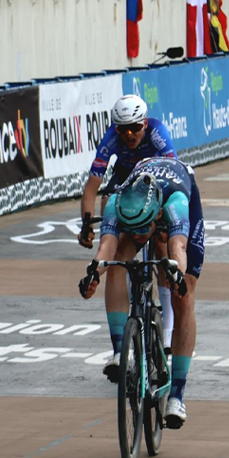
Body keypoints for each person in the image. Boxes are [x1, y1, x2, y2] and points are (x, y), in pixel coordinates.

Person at [79, 157, 204, 429]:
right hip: (140, 197)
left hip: (177, 194)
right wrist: (92, 275)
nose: (137, 236)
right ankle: (119, 349)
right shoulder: (115, 203)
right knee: (117, 264)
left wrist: (177, 276)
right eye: (131, 229)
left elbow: (178, 250)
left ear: (157, 216)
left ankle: (177, 395)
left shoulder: (176, 204)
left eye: (141, 230)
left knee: (184, 295)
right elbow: (106, 251)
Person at [77, 94, 178, 379]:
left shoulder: (158, 133)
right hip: (125, 182)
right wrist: (86, 224)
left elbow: (173, 175)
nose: (129, 134)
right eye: (123, 129)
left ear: (145, 123)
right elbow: (91, 187)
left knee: (161, 242)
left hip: (156, 182)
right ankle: (119, 349)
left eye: (135, 127)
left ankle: (168, 328)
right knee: (114, 253)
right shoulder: (111, 138)